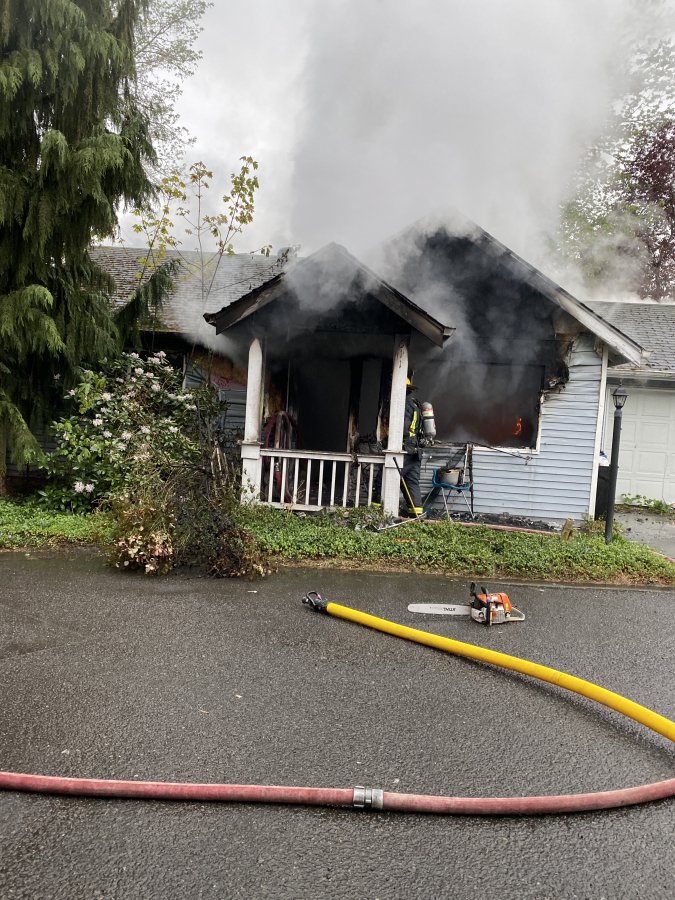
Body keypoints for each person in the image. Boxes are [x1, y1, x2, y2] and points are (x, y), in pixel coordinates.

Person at [400, 377, 424, 517]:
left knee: (383, 477)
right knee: (411, 481)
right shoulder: (415, 404)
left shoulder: (404, 405)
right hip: (416, 450)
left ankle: (375, 512)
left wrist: (386, 439)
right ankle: (416, 514)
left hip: (406, 448)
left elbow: (402, 429)